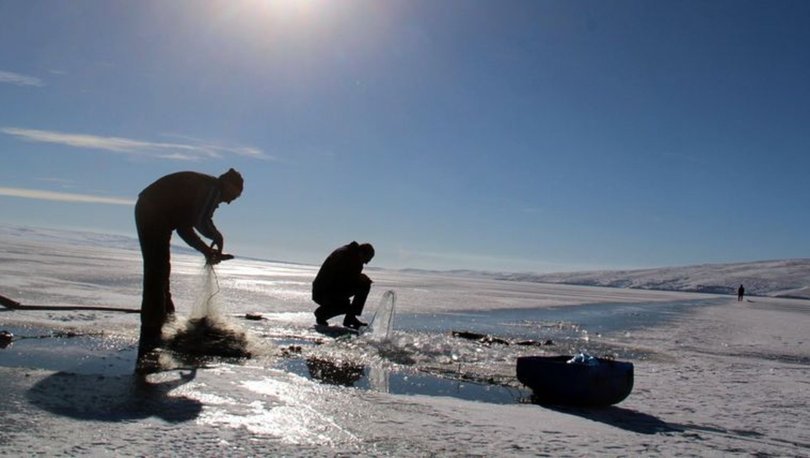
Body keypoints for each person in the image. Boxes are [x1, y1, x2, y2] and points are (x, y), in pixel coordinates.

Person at [134, 169, 243, 357]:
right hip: (152, 211)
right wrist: (216, 235)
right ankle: (152, 331)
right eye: (233, 196)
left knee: (161, 270)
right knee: (156, 271)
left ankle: (165, 321)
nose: (228, 202)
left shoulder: (199, 191)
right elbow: (202, 221)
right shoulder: (212, 188)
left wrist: (207, 250)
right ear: (228, 185)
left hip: (150, 210)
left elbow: (185, 229)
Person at [312, 241, 375, 329]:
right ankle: (322, 313)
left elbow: (344, 278)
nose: (366, 263)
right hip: (324, 292)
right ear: (361, 253)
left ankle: (350, 317)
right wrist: (360, 277)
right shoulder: (347, 256)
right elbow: (340, 277)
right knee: (363, 286)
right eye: (366, 259)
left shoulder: (350, 254)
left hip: (328, 290)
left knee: (348, 303)